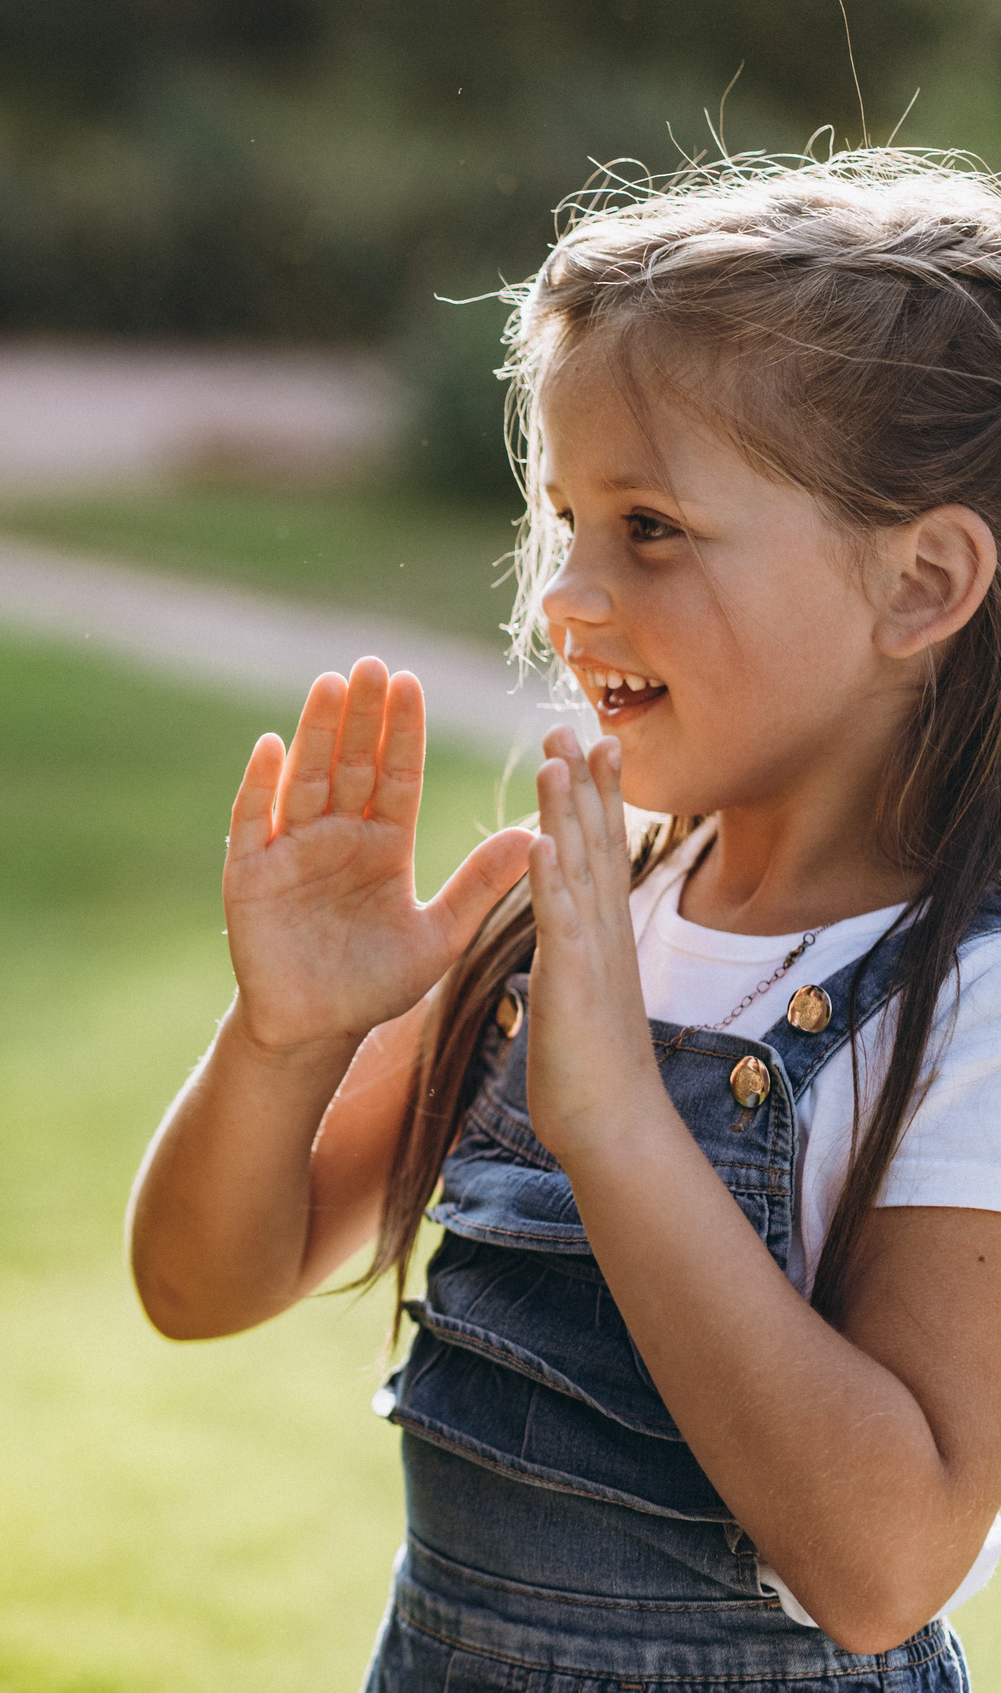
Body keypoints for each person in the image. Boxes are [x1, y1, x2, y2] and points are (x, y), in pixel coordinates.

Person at [128, 150, 1001, 1691]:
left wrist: (614, 1124)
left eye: (651, 527)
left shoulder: (969, 1007)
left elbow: (883, 1569)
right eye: (565, 517)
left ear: (921, 582)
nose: (567, 600)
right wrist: (287, 1036)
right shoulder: (574, 913)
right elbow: (202, 1287)